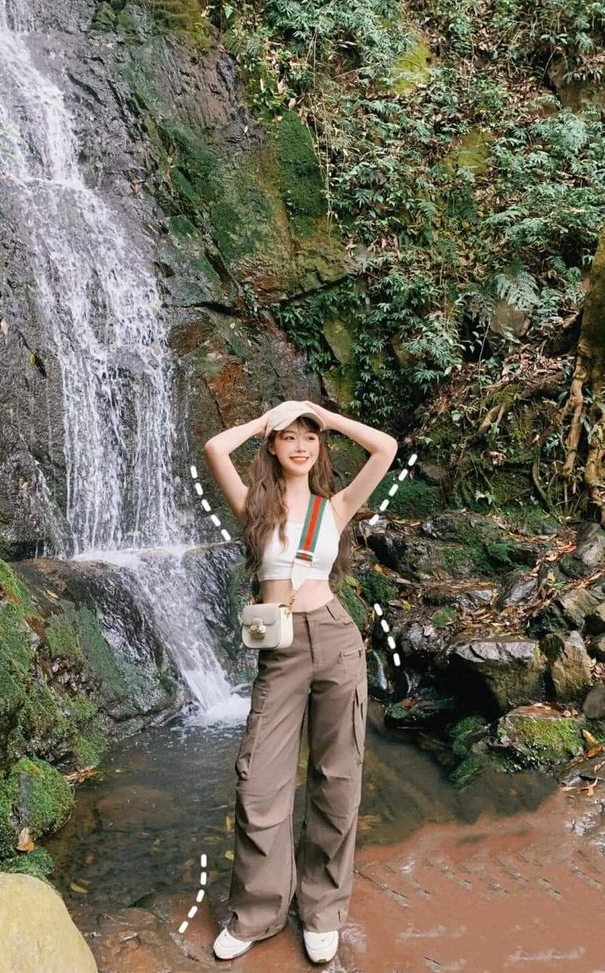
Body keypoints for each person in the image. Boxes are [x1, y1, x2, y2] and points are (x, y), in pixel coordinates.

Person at [202, 399, 398, 965]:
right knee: (259, 782)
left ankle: (322, 910)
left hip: (335, 640)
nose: (300, 444)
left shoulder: (334, 507)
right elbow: (216, 448)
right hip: (281, 654)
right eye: (289, 437)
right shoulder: (253, 508)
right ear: (272, 444)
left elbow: (385, 447)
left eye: (309, 437)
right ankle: (258, 912)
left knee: (337, 776)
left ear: (319, 448)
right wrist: (267, 418)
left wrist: (323, 414)